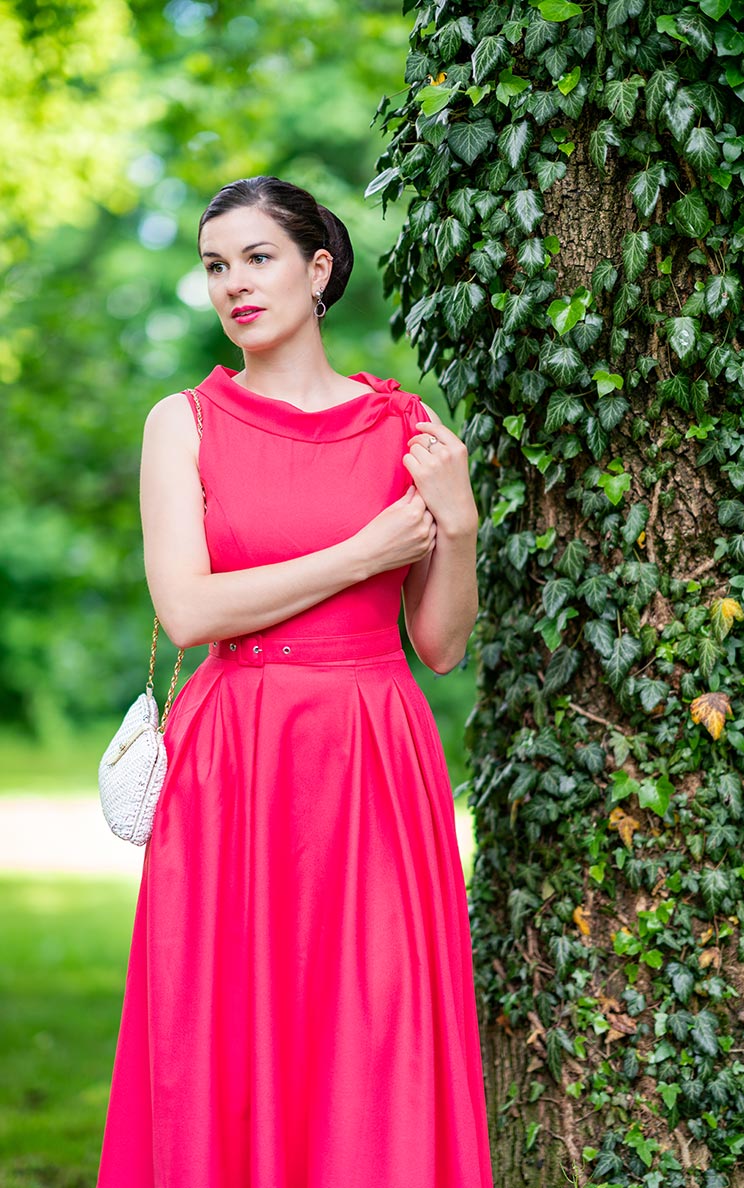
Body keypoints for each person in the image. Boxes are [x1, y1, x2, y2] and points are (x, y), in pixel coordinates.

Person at [97, 175, 493, 1188]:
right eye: (216, 265)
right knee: (228, 1033)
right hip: (238, 757)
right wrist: (363, 552)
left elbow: (440, 646)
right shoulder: (180, 423)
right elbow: (191, 611)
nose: (234, 284)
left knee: (378, 1030)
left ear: (319, 270)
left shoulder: (401, 426)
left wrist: (461, 524)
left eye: (258, 258)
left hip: (373, 756)